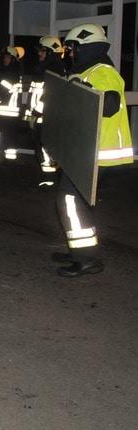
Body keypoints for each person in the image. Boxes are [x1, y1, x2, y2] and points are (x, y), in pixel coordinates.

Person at [54, 23, 132, 277]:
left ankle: (86, 258)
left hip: (96, 152)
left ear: (86, 46)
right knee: (79, 202)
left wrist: (82, 89)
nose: (71, 53)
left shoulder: (103, 71)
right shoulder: (87, 70)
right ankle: (81, 249)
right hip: (85, 151)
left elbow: (109, 104)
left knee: (69, 200)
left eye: (74, 48)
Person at [23, 35, 66, 186]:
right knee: (42, 150)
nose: (39, 54)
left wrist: (35, 114)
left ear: (52, 52)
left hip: (45, 118)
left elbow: (49, 95)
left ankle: (50, 181)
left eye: (43, 51)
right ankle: (49, 179)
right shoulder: (44, 68)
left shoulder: (53, 69)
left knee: (47, 151)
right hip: (40, 117)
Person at [0, 45, 28, 163]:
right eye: (4, 57)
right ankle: (3, 160)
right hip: (9, 112)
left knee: (1, 135)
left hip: (5, 111)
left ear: (13, 59)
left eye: (8, 57)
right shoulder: (10, 73)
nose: (5, 59)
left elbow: (2, 92)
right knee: (6, 137)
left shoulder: (10, 74)